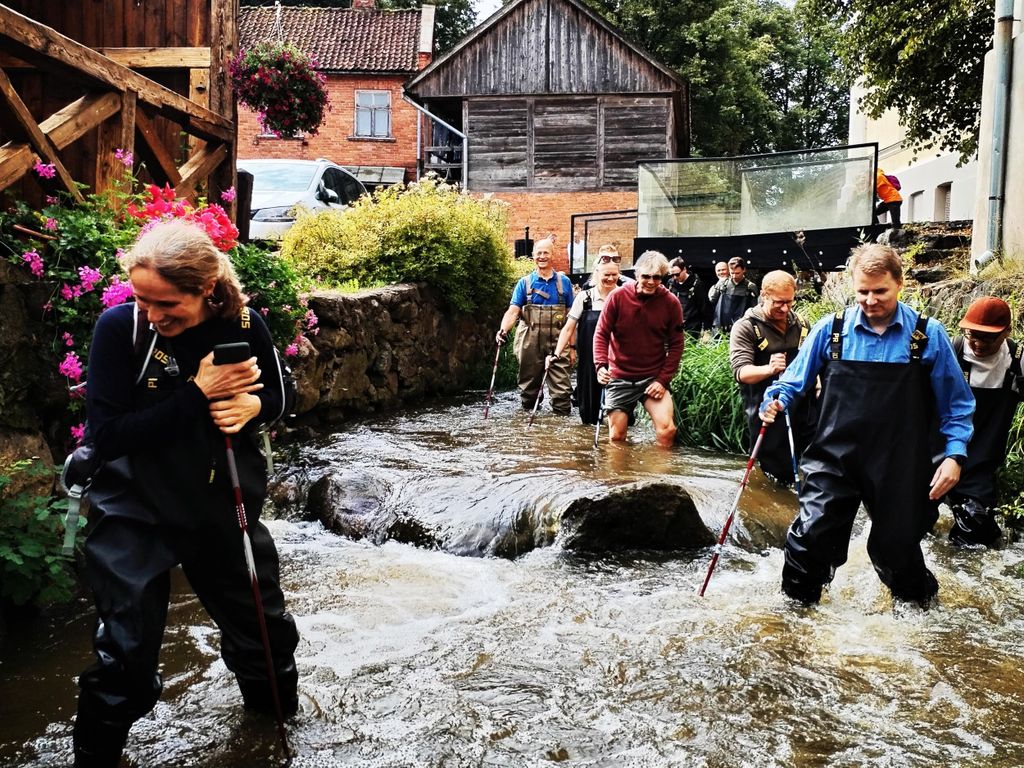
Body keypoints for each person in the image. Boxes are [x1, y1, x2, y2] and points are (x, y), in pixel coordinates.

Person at [73, 220, 299, 767]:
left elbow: (281, 393)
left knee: (263, 636)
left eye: (167, 303)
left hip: (220, 497)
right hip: (132, 504)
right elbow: (107, 436)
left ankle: (272, 743)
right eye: (143, 300)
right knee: (125, 655)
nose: (153, 315)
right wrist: (199, 393)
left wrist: (254, 407)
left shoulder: (244, 324)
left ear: (205, 289)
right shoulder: (119, 329)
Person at [761, 243, 973, 607]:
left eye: (880, 292)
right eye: (862, 292)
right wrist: (775, 399)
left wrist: (954, 455)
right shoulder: (832, 330)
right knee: (810, 539)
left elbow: (957, 404)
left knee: (894, 549)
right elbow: (791, 382)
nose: (870, 300)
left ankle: (922, 617)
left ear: (900, 284)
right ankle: (794, 620)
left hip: (899, 462)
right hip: (835, 457)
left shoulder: (927, 335)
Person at [940, 297, 1022, 547]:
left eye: (987, 338)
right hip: (935, 458)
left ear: (1006, 332)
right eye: (972, 335)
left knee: (975, 532)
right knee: (907, 528)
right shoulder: (950, 350)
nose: (977, 343)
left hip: (978, 466)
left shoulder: (1017, 362)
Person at [729, 270, 816, 485]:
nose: (785, 308)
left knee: (813, 465)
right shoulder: (745, 327)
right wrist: (768, 368)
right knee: (776, 474)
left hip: (805, 407)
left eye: (790, 302)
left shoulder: (802, 324)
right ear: (763, 295)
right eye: (779, 302)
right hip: (765, 410)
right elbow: (741, 373)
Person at [593, 250, 685, 447]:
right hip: (619, 376)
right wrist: (600, 365)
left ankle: (658, 477)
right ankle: (620, 476)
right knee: (617, 437)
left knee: (667, 430)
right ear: (637, 275)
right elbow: (601, 333)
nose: (651, 282)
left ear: (663, 277)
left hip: (652, 378)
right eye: (646, 276)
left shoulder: (671, 303)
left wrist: (662, 380)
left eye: (657, 277)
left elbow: (677, 344)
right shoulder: (617, 297)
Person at [496, 237, 574, 415]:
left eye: (546, 252)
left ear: (552, 255)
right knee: (529, 389)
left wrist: (573, 347)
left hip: (558, 339)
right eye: (538, 253)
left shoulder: (565, 283)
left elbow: (572, 319)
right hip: (529, 338)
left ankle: (560, 430)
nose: (542, 256)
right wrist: (503, 330)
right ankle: (528, 425)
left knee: (562, 391)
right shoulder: (524, 283)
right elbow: (513, 311)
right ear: (533, 256)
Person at [547, 258, 621, 424]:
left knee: (619, 413)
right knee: (589, 414)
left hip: (618, 361)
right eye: (606, 274)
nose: (610, 278)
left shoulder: (624, 295)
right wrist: (557, 354)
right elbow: (568, 328)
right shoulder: (585, 298)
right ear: (596, 274)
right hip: (589, 362)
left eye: (614, 275)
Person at [709, 256, 759, 334]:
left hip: (740, 328)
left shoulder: (750, 287)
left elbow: (754, 310)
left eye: (737, 273)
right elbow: (712, 301)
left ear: (744, 270)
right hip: (720, 328)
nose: (734, 276)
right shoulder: (722, 284)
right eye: (732, 273)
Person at [667, 257, 709, 335]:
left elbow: (705, 307)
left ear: (684, 270)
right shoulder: (670, 283)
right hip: (674, 326)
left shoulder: (697, 285)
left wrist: (706, 329)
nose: (675, 277)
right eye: (672, 275)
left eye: (677, 274)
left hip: (692, 327)